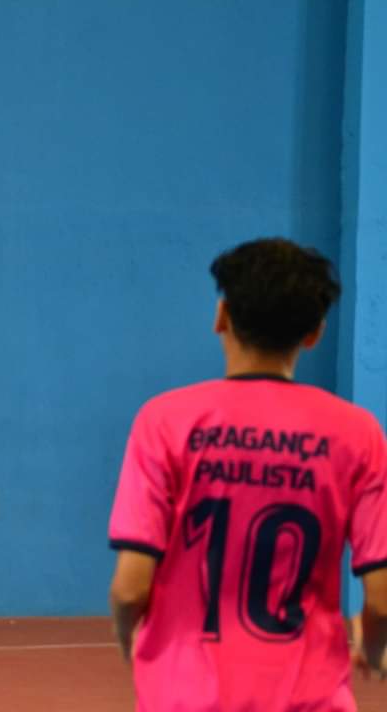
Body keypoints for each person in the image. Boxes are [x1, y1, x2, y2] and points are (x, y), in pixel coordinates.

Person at [107, 238, 387, 710]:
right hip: (309, 695)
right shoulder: (357, 433)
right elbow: (381, 598)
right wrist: (375, 650)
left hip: (184, 695)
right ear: (315, 333)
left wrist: (126, 640)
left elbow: (130, 587)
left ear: (222, 317)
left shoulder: (164, 421)